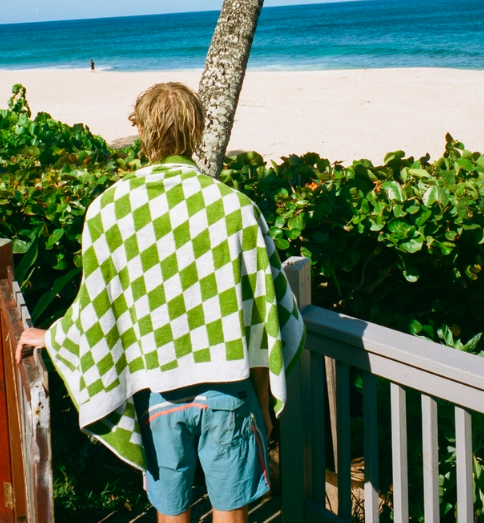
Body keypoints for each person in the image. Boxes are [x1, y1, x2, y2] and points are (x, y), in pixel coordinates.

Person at [16, 82, 305, 523]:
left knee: (171, 514)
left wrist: (53, 337)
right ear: (198, 130)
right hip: (228, 389)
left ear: (141, 130)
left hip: (156, 392)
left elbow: (96, 310)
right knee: (233, 515)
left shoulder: (109, 210)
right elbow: (265, 316)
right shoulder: (236, 208)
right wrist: (264, 405)